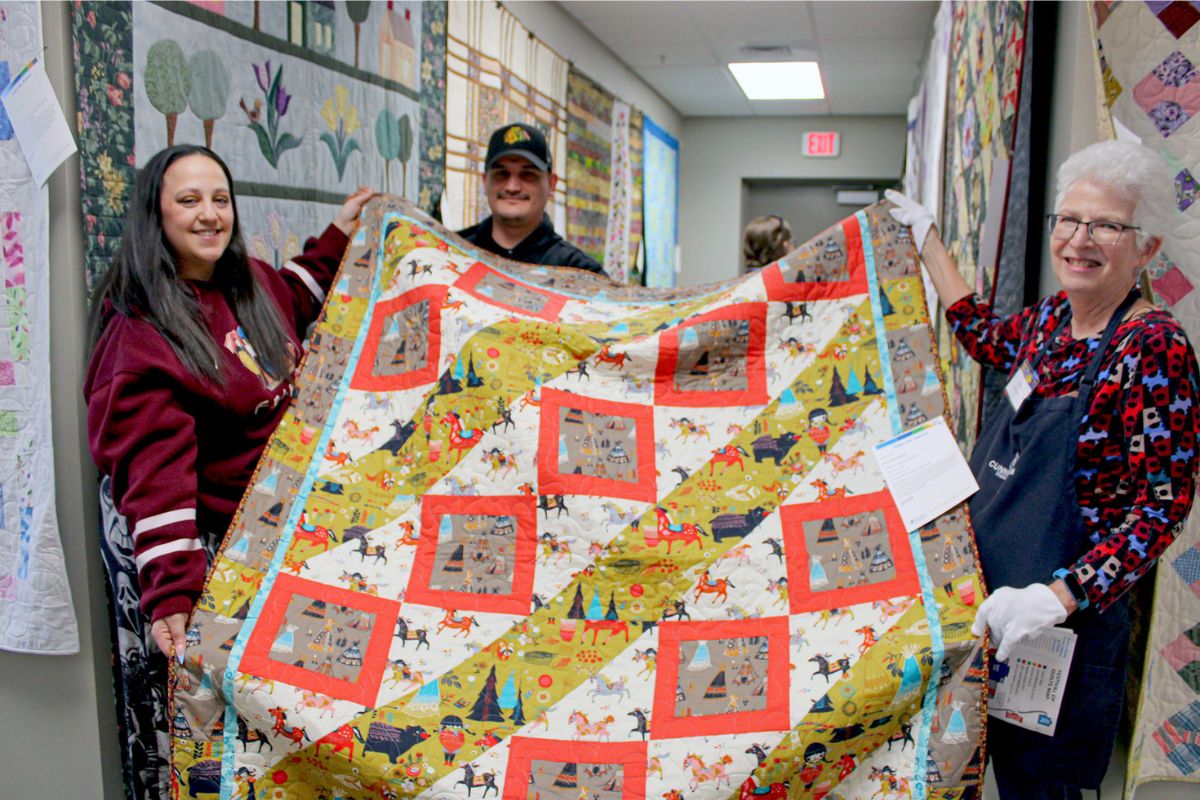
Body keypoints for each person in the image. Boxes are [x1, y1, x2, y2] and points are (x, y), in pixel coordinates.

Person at [887, 139, 1200, 799]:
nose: (1079, 239)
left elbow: (1161, 508)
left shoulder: (1152, 349)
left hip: (1061, 630)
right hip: (985, 606)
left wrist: (1056, 598)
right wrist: (929, 242)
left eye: (1107, 225)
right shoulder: (1052, 322)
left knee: (1038, 787)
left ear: (1145, 248)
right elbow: (984, 337)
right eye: (1069, 219)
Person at [85, 144, 374, 661]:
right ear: (157, 214)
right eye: (190, 200)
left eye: (221, 199)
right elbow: (155, 473)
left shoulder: (250, 282)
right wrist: (174, 590)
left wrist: (340, 233)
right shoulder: (143, 334)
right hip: (232, 548)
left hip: (292, 522)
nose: (209, 214)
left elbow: (294, 295)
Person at [458, 122, 604, 273]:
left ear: (551, 184)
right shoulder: (452, 254)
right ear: (485, 181)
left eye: (528, 175)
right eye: (501, 174)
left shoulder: (580, 272)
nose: (512, 187)